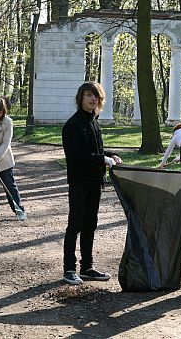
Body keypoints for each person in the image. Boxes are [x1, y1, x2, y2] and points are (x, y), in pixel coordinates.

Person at [61, 81, 123, 285]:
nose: (93, 99)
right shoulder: (72, 125)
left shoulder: (93, 122)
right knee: (75, 225)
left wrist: (111, 155)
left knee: (90, 225)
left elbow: (96, 151)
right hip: (79, 183)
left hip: (96, 182)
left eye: (96, 96)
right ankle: (69, 269)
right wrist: (101, 160)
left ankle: (87, 267)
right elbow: (75, 156)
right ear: (81, 98)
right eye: (89, 95)